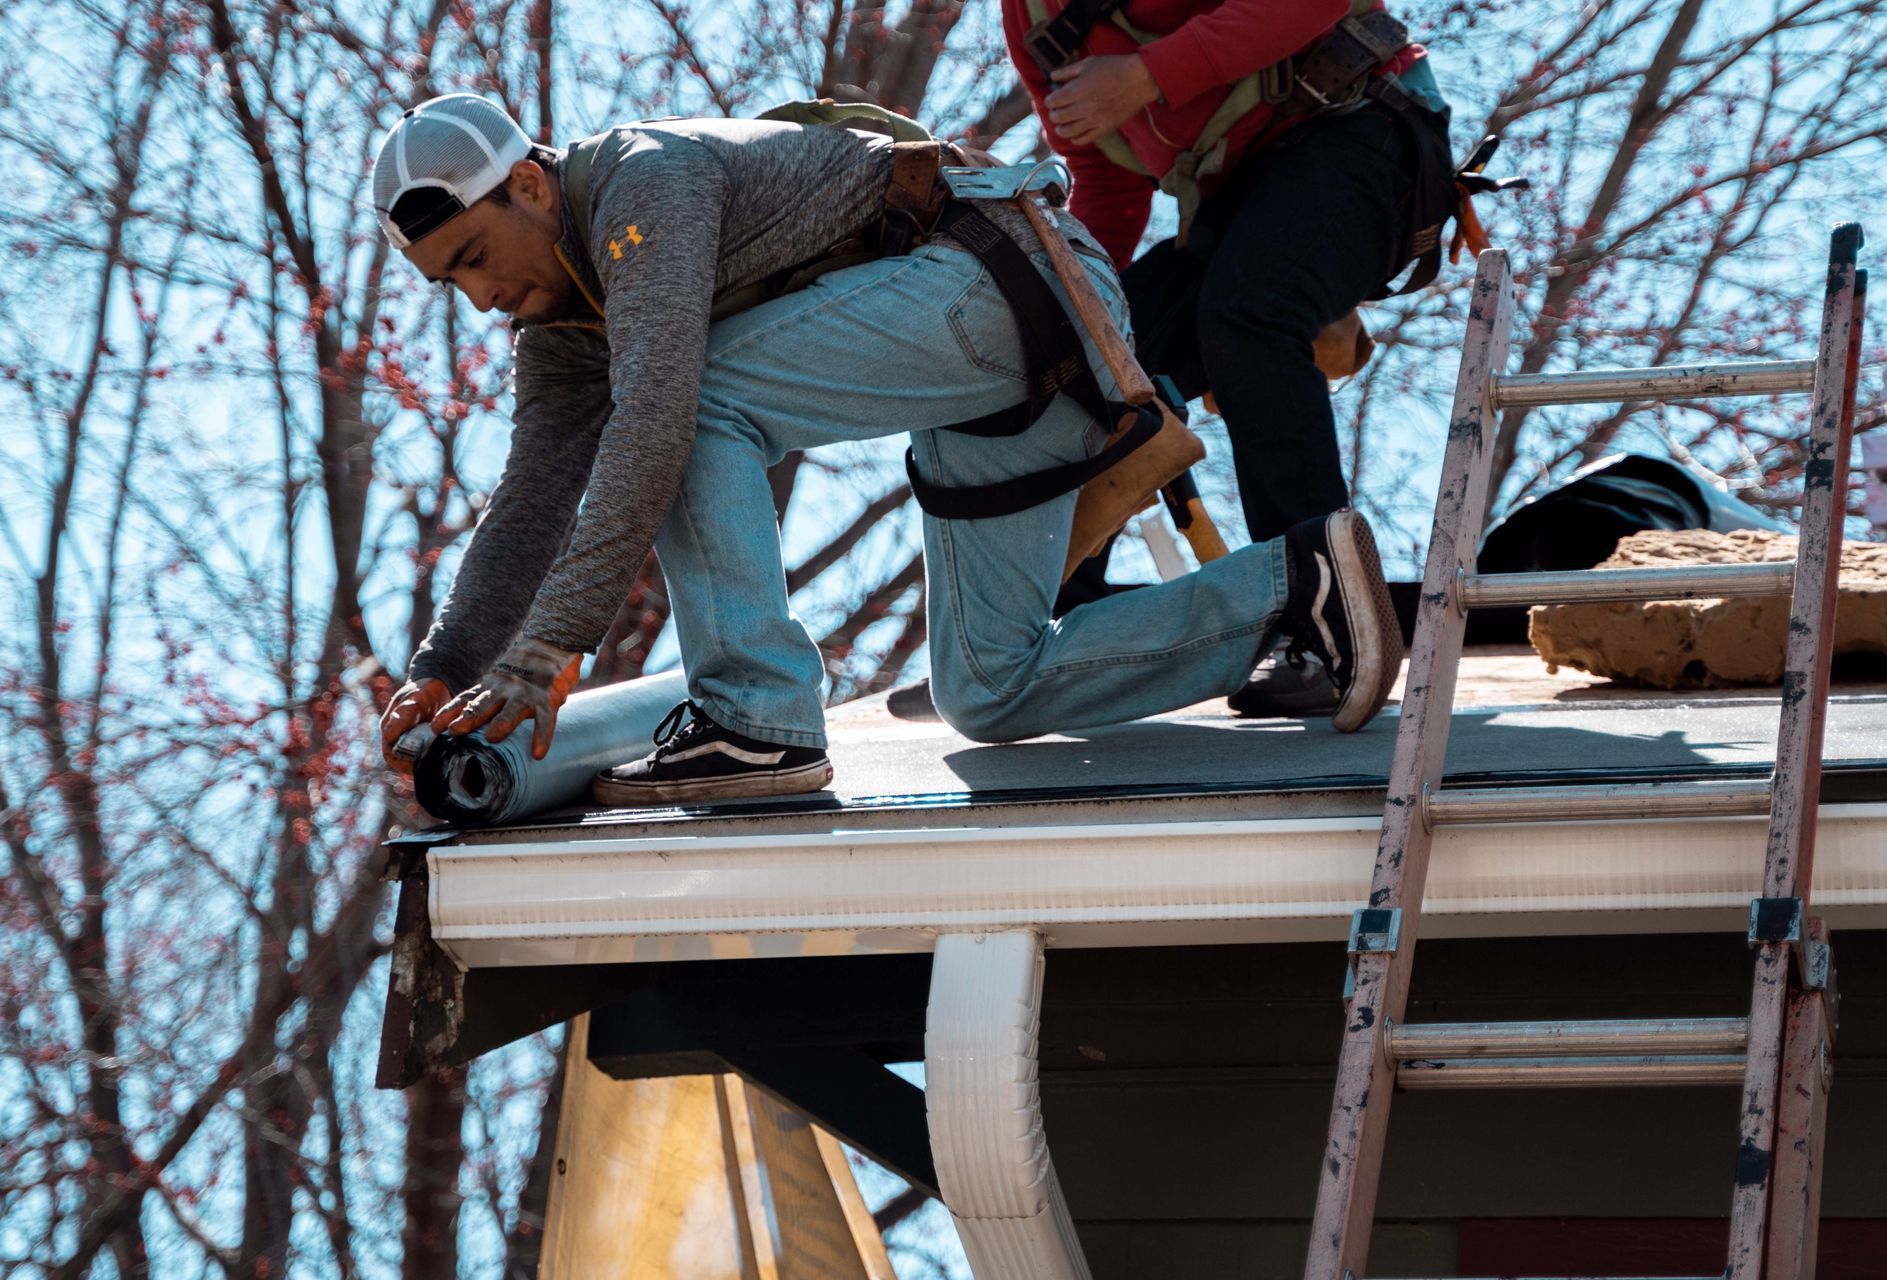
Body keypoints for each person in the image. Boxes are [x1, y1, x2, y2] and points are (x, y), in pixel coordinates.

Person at [372, 92, 1404, 805]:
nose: (478, 294)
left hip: (1004, 279)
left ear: (534, 189)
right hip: (1008, 360)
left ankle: (753, 714)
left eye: (473, 255)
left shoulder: (643, 183)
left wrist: (548, 648)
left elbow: (655, 421)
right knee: (988, 686)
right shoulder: (561, 325)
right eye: (447, 282)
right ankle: (1299, 583)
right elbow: (532, 495)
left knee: (685, 394)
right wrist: (451, 663)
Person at [1002, 0, 1453, 715]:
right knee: (1095, 367)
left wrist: (1146, 76)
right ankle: (1033, 641)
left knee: (1249, 313)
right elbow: (1111, 183)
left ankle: (1328, 623)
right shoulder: (1035, 22)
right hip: (1240, 203)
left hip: (1359, 130)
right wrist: (1080, 318)